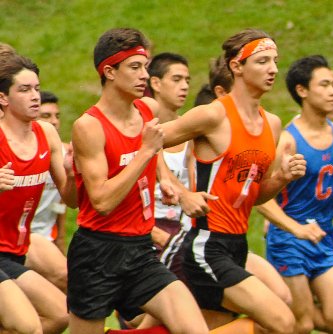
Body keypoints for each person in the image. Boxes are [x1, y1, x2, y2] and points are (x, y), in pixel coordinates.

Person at [159, 29, 304, 332]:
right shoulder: (212, 116)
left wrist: (282, 178)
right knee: (282, 322)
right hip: (206, 245)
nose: (273, 69)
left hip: (238, 245)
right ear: (237, 66)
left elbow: (255, 195)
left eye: (275, 61)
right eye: (262, 61)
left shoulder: (272, 124)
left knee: (214, 327)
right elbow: (145, 143)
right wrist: (182, 192)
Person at [69, 28, 208, 334]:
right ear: (109, 71)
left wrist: (168, 180)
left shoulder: (148, 109)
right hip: (98, 252)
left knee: (194, 328)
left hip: (141, 250)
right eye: (134, 67)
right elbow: (102, 201)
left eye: (145, 66)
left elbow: (152, 147)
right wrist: (145, 152)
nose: (144, 75)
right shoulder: (89, 126)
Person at [256, 55, 333, 334]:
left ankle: (266, 320)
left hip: (324, 237)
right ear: (302, 91)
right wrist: (296, 229)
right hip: (289, 240)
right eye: (325, 85)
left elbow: (328, 186)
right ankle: (262, 321)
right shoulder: (288, 141)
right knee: (302, 326)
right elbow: (260, 198)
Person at [0, 52, 76, 334]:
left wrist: (72, 174)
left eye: (36, 88)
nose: (35, 96)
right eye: (24, 89)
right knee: (28, 325)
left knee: (60, 315)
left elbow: (72, 201)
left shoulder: (47, 134)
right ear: (3, 98)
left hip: (15, 250)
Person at [145, 52, 191, 259]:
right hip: (148, 231)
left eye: (187, 80)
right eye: (177, 79)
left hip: (185, 229)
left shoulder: (193, 131)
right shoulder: (141, 129)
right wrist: (157, 234)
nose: (184, 86)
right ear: (156, 83)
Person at [26, 90, 70, 292]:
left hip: (47, 237)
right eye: (46, 116)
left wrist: (60, 238)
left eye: (57, 116)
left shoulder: (64, 153)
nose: (54, 121)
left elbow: (62, 201)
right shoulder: (18, 151)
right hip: (22, 237)